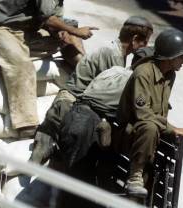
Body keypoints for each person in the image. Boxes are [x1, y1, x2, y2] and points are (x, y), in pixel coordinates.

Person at [31, 16, 154, 163]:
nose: (146, 46)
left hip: (66, 105)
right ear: (134, 39)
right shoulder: (113, 56)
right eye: (145, 41)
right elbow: (105, 98)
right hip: (72, 108)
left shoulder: (115, 52)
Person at [0, 0, 98, 137]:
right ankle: (26, 125)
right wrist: (76, 30)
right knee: (22, 64)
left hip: (23, 30)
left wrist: (64, 31)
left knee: (70, 34)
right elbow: (48, 18)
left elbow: (52, 18)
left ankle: (88, 80)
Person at [113, 28, 183, 197]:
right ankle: (135, 175)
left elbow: (160, 111)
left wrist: (170, 130)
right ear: (170, 56)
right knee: (150, 127)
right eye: (182, 56)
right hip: (128, 132)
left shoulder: (170, 75)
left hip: (146, 136)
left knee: (154, 129)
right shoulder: (143, 73)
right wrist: (172, 128)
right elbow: (143, 114)